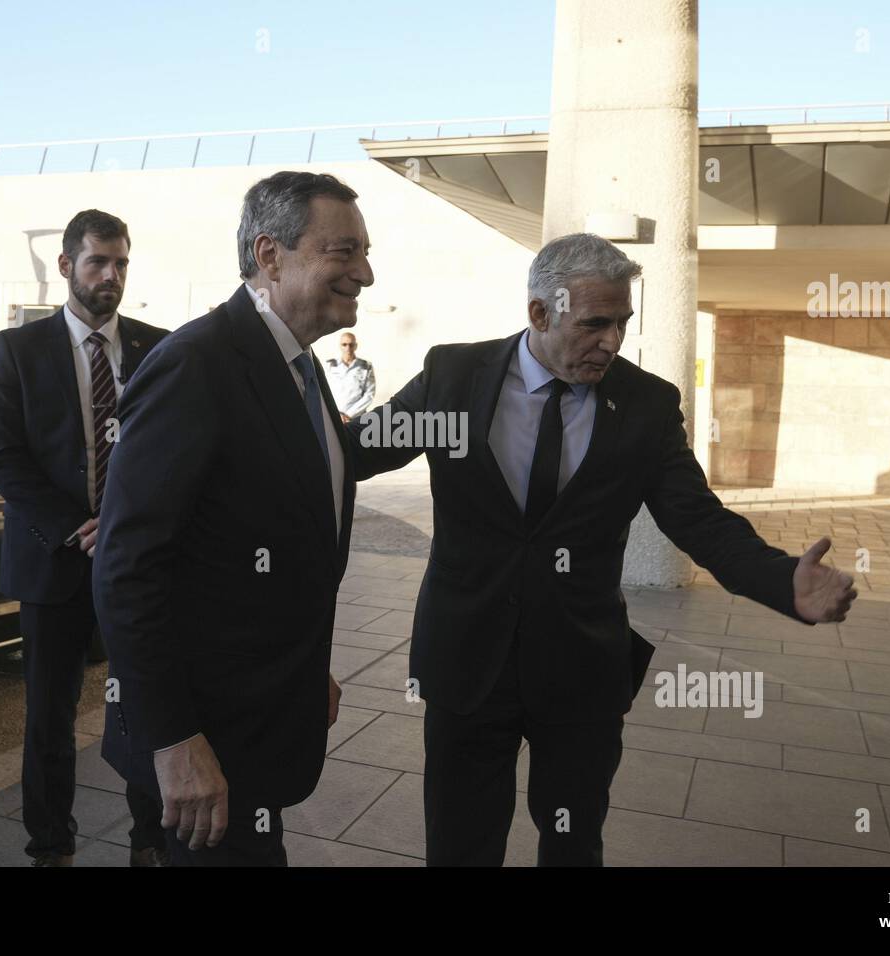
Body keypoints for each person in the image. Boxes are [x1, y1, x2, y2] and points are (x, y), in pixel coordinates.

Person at [347, 232, 857, 867]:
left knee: (573, 841)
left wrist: (781, 580)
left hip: (580, 669)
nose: (612, 341)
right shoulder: (454, 378)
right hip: (465, 662)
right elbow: (354, 454)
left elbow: (697, 519)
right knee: (459, 842)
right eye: (595, 323)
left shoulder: (644, 404)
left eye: (621, 323)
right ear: (540, 312)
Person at [92, 171, 373, 866]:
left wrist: (304, 667)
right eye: (343, 252)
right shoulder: (196, 365)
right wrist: (173, 740)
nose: (364, 273)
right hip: (202, 747)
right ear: (270, 254)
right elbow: (128, 568)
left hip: (263, 723)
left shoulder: (298, 371)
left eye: (364, 254)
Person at [0, 209, 170, 867]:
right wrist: (74, 527)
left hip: (140, 566)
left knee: (146, 708)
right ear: (66, 266)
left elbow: (177, 452)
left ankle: (150, 840)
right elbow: (1, 458)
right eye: (98, 262)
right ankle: (51, 847)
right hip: (53, 563)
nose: (111, 275)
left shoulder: (160, 348)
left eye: (121, 262)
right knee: (50, 722)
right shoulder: (19, 351)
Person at [324, 332, 375, 421]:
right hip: (334, 417)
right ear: (340, 346)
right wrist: (336, 414)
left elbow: (369, 394)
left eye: (351, 345)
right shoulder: (330, 365)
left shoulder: (366, 366)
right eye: (344, 344)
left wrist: (348, 415)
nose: (348, 348)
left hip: (356, 418)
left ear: (356, 346)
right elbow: (324, 391)